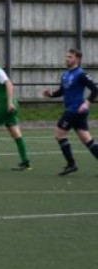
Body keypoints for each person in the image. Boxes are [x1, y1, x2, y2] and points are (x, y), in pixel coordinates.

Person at [43, 47, 98, 176]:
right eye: (66, 57)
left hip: (75, 110)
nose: (67, 59)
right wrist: (51, 94)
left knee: (59, 135)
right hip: (73, 110)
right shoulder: (65, 74)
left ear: (77, 59)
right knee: (86, 139)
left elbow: (95, 90)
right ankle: (71, 164)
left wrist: (87, 103)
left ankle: (71, 165)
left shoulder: (81, 74)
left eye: (70, 57)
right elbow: (62, 91)